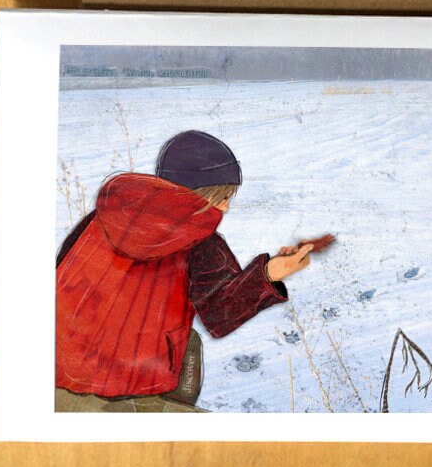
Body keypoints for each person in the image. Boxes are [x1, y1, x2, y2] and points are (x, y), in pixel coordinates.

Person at [54, 130, 314, 409]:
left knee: (186, 339)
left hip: (57, 371)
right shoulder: (200, 240)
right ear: (195, 193)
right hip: (133, 385)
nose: (226, 207)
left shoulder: (104, 216)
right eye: (222, 195)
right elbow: (218, 316)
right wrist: (271, 274)